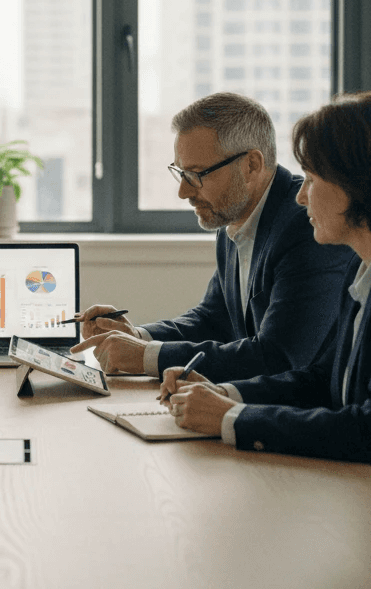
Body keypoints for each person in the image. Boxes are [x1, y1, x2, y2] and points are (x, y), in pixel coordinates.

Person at [162, 92, 371, 536]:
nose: (301, 197)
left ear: (358, 184)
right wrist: (225, 392)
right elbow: (321, 381)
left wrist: (233, 419)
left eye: (311, 178)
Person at [72, 92, 352, 380]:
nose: (183, 191)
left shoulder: (307, 226)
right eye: (180, 172)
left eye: (196, 174)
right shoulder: (232, 217)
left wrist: (146, 356)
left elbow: (279, 357)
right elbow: (213, 319)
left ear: (251, 165)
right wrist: (137, 335)